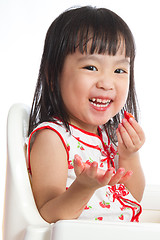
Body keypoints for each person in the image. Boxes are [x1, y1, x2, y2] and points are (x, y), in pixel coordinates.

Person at [27, 6, 145, 223]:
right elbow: (47, 214)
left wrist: (129, 156)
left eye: (119, 70)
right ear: (54, 76)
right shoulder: (53, 138)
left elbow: (132, 198)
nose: (107, 83)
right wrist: (83, 187)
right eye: (91, 67)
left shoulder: (107, 137)